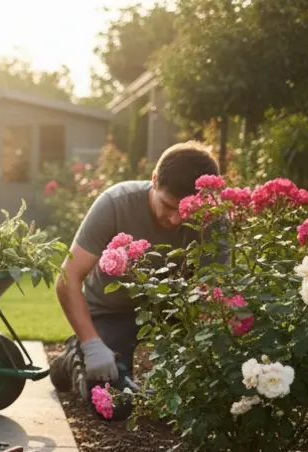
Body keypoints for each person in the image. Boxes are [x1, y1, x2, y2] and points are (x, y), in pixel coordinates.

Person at [48, 142, 221, 416]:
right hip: (112, 311)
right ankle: (75, 357)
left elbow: (216, 292)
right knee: (114, 404)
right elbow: (68, 276)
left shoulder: (214, 220)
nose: (176, 219)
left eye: (186, 210)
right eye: (168, 205)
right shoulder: (116, 204)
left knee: (195, 403)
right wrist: (92, 345)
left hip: (174, 315)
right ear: (154, 180)